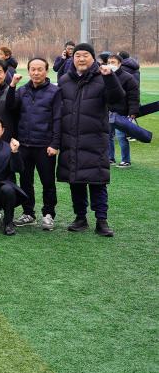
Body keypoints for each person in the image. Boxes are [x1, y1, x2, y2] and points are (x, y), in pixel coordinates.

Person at [57, 43, 124, 237]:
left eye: (85, 55)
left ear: (93, 58)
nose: (81, 59)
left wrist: (110, 78)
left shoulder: (103, 78)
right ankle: (80, 218)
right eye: (77, 55)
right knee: (75, 181)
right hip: (70, 140)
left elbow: (117, 99)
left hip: (94, 139)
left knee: (97, 181)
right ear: (72, 58)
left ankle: (101, 220)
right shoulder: (64, 80)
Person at [6, 58, 61, 230]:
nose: (36, 73)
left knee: (48, 182)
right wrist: (12, 86)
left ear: (47, 71)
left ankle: (49, 214)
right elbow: (10, 107)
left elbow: (58, 119)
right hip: (24, 145)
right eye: (33, 69)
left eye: (40, 69)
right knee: (25, 181)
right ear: (28, 71)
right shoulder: (22, 91)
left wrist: (55, 144)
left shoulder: (55, 92)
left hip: (45, 146)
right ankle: (28, 213)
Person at [106, 53, 139, 168]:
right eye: (108, 62)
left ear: (120, 64)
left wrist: (133, 112)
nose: (110, 64)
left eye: (113, 62)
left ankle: (126, 160)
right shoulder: (104, 76)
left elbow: (133, 96)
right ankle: (110, 158)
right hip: (108, 112)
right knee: (107, 136)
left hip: (122, 112)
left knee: (121, 137)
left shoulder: (128, 77)